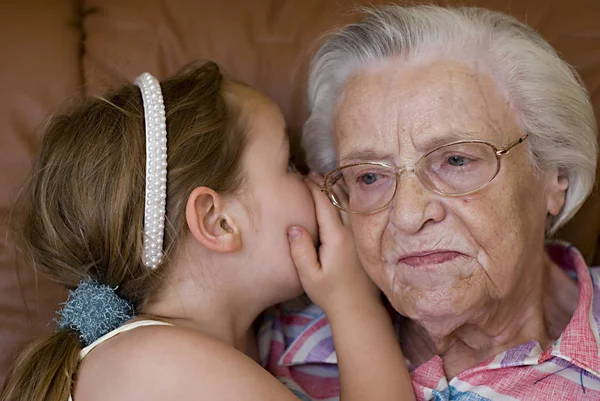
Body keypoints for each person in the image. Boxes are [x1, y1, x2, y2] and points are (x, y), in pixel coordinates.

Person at [0, 62, 415, 401]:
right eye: (289, 164)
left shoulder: (213, 352)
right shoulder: (158, 364)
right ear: (219, 222)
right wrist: (353, 304)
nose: (317, 179)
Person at [261, 5, 600, 400]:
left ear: (555, 173)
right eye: (369, 176)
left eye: (456, 160)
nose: (407, 216)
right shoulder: (266, 353)